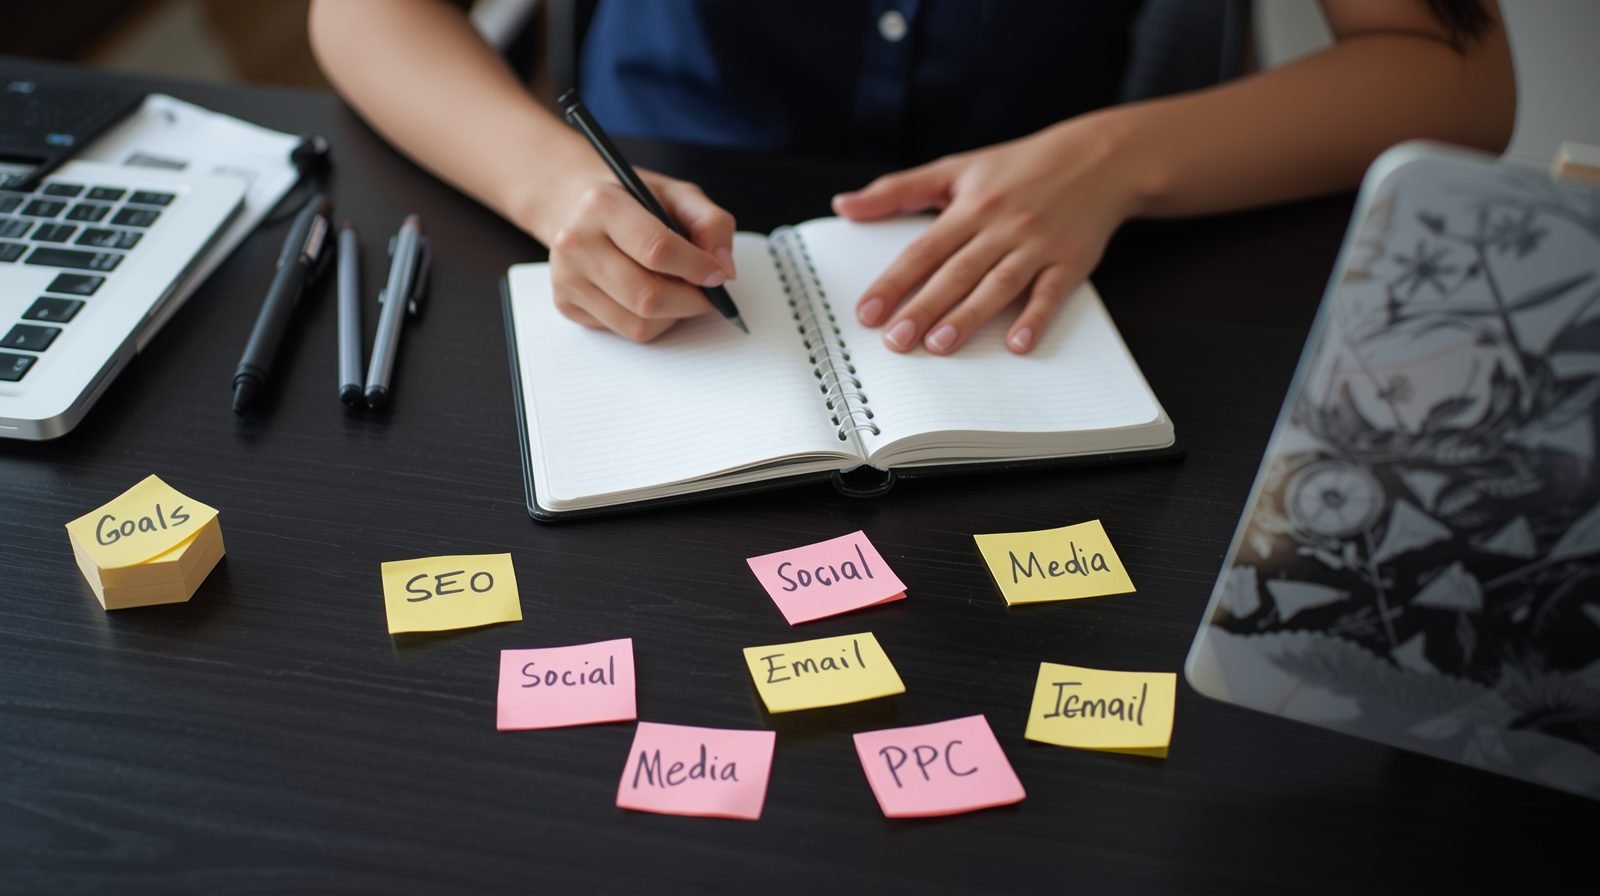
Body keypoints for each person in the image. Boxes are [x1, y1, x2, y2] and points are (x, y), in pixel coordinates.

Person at [308, 0, 1515, 355]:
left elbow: (1452, 76)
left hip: (1079, 256)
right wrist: (556, 187)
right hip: (656, 214)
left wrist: (1116, 156)